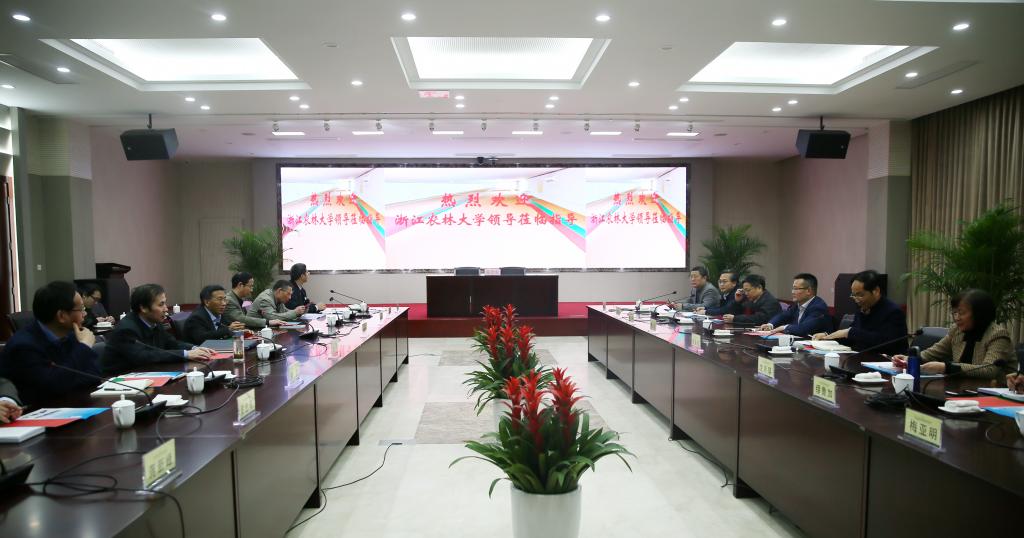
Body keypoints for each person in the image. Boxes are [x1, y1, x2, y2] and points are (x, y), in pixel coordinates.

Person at [0, 281, 101, 406]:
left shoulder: (70, 335)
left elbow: (94, 374)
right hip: (35, 412)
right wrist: (84, 347)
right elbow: (52, 386)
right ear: (61, 316)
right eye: (81, 309)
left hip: (69, 404)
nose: (84, 314)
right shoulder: (24, 346)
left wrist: (65, 379)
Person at [890, 289, 1015, 378]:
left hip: (993, 394)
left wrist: (945, 367)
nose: (956, 318)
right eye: (954, 313)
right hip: (961, 388)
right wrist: (910, 359)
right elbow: (934, 353)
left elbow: (990, 370)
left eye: (961, 313)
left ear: (979, 314)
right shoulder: (957, 330)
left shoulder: (997, 335)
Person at [102, 284, 213, 375]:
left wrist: (194, 348)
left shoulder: (154, 322)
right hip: (121, 380)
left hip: (148, 373)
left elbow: (171, 343)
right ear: (143, 308)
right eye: (161, 305)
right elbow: (145, 356)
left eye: (165, 303)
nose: (166, 309)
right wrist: (186, 354)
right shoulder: (126, 329)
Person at [813, 270, 908, 354]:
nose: (856, 299)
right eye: (853, 295)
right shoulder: (863, 307)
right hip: (860, 358)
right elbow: (851, 338)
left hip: (884, 361)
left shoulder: (893, 312)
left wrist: (850, 332)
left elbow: (886, 342)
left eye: (860, 295)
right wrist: (827, 336)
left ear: (876, 291)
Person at [759, 273, 832, 336]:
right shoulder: (797, 305)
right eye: (793, 288)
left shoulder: (818, 307)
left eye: (796, 289)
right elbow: (783, 316)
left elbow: (803, 329)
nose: (792, 292)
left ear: (808, 291)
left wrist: (785, 327)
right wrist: (770, 325)